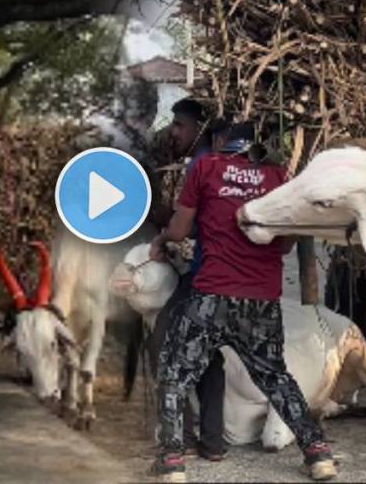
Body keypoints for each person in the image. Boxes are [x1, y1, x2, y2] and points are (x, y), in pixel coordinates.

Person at [148, 122, 337, 482]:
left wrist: (161, 240)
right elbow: (284, 243)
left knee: (174, 373)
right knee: (276, 377)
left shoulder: (206, 167)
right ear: (258, 147)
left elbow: (179, 230)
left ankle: (172, 463)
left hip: (211, 296)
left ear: (221, 142)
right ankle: (318, 453)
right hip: (261, 301)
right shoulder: (279, 177)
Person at [149, 99, 226, 462]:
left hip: (202, 276)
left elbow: (185, 225)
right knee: (210, 356)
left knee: (163, 342)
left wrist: (161, 234)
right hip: (221, 274)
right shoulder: (219, 163)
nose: (173, 131)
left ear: (199, 128)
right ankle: (212, 442)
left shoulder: (200, 165)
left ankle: (181, 437)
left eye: (180, 125)